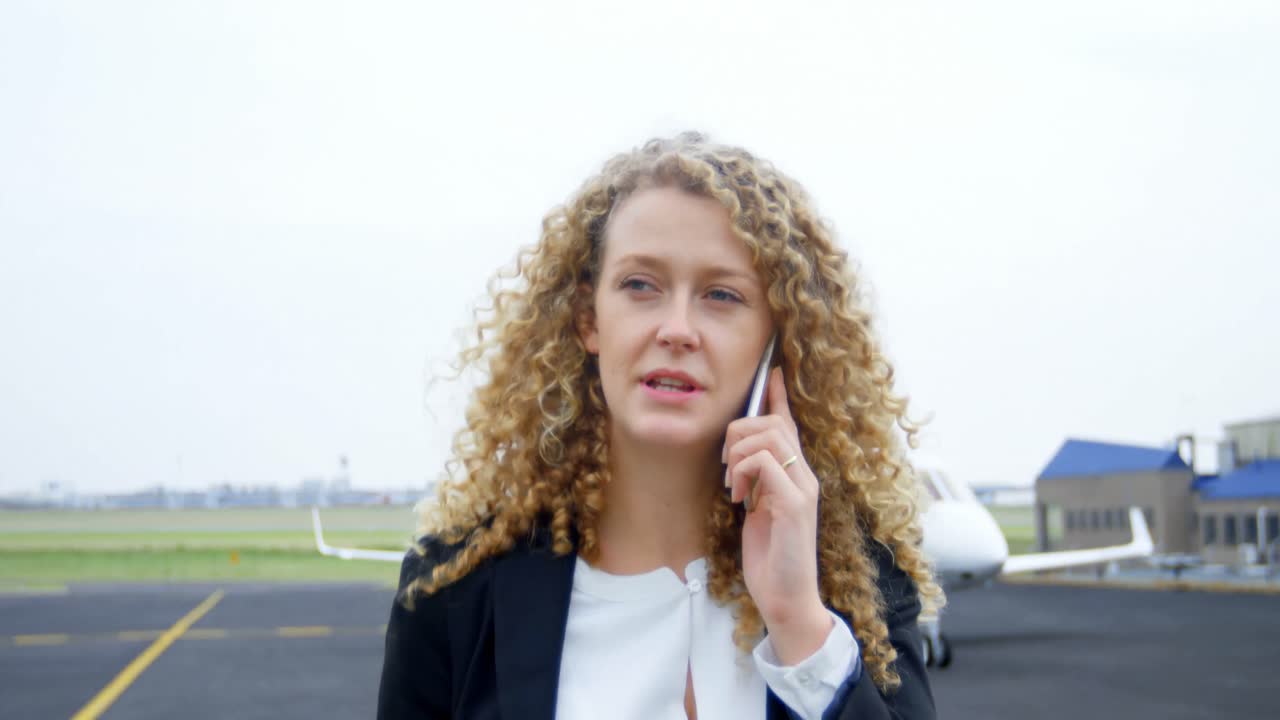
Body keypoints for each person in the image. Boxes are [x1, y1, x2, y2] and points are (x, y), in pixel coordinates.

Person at [377, 132, 943, 720]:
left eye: (721, 295)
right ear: (587, 320)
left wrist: (801, 625)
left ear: (777, 343)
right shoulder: (457, 586)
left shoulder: (860, 580)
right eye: (640, 285)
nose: (677, 329)